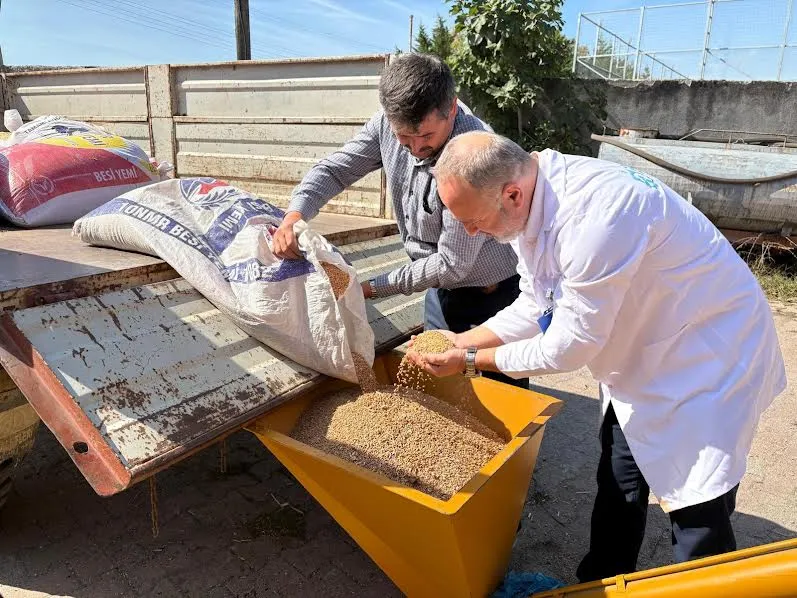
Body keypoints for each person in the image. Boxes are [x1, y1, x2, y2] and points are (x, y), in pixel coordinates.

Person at [408, 130, 786, 581]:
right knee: (621, 476)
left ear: (511, 193)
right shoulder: (529, 201)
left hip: (707, 357)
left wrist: (469, 362)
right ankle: (600, 584)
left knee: (698, 507)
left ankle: (710, 585)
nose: (470, 231)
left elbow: (569, 346)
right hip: (645, 354)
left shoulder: (595, 215)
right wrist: (464, 339)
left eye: (473, 220)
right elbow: (536, 300)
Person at [270, 53, 525, 388]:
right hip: (442, 290)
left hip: (491, 298)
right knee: (440, 392)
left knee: (497, 400)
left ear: (451, 108)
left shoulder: (476, 156)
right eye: (404, 139)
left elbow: (453, 263)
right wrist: (293, 217)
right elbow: (334, 170)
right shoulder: (385, 127)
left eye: (427, 137)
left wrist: (370, 288)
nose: (416, 148)